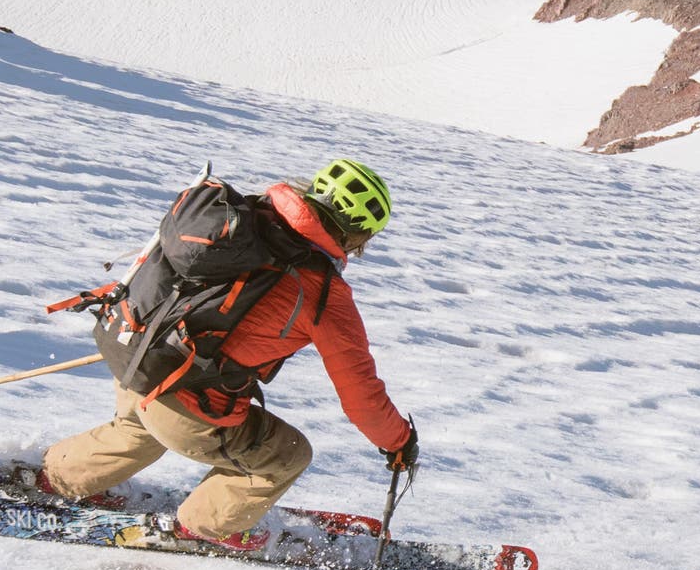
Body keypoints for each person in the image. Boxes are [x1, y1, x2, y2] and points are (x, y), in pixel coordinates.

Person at [43, 156, 419, 544]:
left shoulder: (247, 217)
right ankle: (200, 528)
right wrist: (398, 442)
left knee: (139, 426)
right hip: (183, 402)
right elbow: (361, 397)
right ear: (358, 236)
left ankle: (51, 477)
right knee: (286, 455)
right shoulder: (324, 294)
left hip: (136, 358)